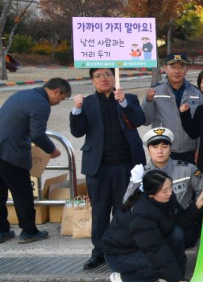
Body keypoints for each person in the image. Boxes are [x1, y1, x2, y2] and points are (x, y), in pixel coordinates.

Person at [70, 68, 146, 270]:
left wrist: (123, 103)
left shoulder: (128, 98)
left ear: (114, 77)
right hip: (99, 167)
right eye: (98, 76)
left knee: (124, 210)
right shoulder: (87, 103)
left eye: (107, 75)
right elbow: (77, 132)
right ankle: (99, 252)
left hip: (126, 164)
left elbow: (139, 120)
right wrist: (76, 110)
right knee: (100, 212)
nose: (103, 79)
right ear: (92, 80)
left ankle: (124, 247)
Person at [0, 78, 70, 244]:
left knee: (0, 193)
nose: (58, 103)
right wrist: (52, 150)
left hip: (2, 147)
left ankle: (2, 230)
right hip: (11, 152)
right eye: (61, 99)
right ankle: (29, 231)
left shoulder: (24, 94)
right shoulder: (41, 104)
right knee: (22, 193)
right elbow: (37, 134)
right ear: (56, 91)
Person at [102, 169, 188, 282]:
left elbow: (181, 220)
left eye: (171, 187)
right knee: (160, 262)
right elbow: (154, 249)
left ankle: (168, 279)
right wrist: (177, 278)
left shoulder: (167, 199)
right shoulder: (141, 213)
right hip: (120, 254)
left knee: (176, 233)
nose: (170, 193)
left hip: (142, 246)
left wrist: (197, 206)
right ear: (151, 194)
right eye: (164, 191)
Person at [124, 127, 203, 247]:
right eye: (155, 147)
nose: (160, 151)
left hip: (182, 223)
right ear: (148, 150)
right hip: (153, 224)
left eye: (164, 146)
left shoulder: (187, 169)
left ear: (170, 148)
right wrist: (135, 183)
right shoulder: (142, 173)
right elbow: (127, 203)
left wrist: (193, 211)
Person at [144, 53, 203, 162]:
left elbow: (200, 124)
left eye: (181, 67)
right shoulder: (155, 91)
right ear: (165, 68)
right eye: (173, 67)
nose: (177, 71)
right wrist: (148, 101)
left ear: (187, 69)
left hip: (189, 151)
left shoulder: (195, 92)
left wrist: (199, 149)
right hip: (164, 151)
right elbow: (146, 120)